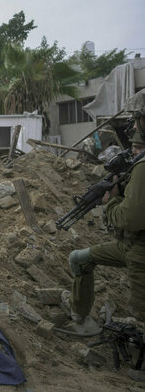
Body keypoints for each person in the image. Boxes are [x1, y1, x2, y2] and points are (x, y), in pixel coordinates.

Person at [66, 94, 145, 351]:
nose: (133, 124)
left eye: (136, 118)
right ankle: (80, 319)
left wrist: (109, 201)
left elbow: (129, 219)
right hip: (130, 247)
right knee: (80, 258)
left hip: (140, 250)